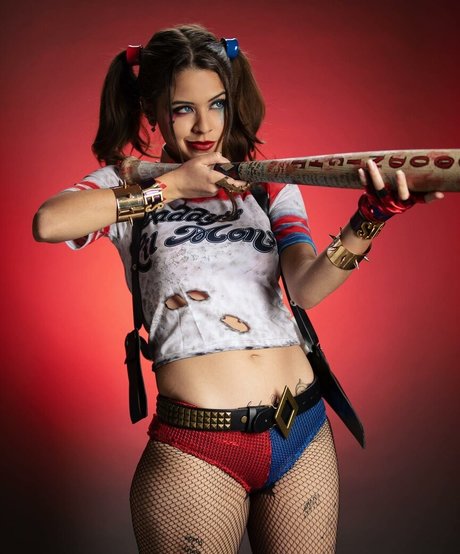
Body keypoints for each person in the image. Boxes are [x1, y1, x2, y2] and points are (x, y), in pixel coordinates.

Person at [32, 24, 443, 554]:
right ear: (153, 110)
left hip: (301, 428)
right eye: (183, 109)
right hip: (199, 445)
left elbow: (307, 288)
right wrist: (170, 186)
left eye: (217, 104)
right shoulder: (127, 182)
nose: (205, 125)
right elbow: (49, 222)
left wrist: (371, 218)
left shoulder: (267, 184)